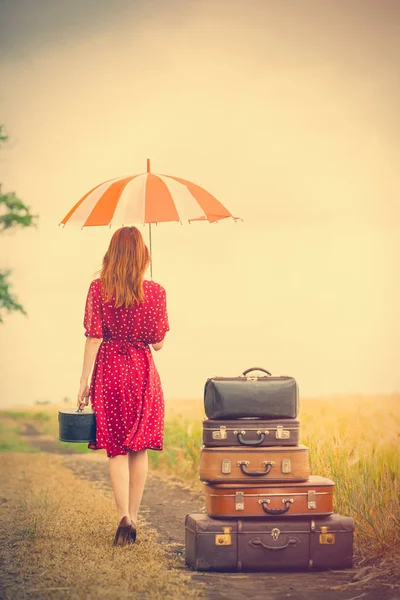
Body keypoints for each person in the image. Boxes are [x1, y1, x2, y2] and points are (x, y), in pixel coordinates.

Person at [77, 226, 169, 546]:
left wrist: (84, 382)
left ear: (111, 254)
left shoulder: (97, 289)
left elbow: (93, 337)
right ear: (143, 255)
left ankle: (123, 518)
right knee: (138, 447)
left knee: (116, 448)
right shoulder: (156, 292)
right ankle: (136, 516)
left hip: (111, 371)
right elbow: (157, 344)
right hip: (142, 372)